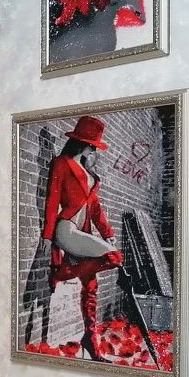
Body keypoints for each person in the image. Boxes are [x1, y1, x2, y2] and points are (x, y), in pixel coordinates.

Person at [42, 115, 124, 361]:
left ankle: (90, 339)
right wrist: (48, 236)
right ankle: (60, 274)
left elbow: (96, 209)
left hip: (83, 232)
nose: (93, 150)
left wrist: (108, 233)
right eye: (91, 145)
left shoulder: (89, 174)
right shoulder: (62, 163)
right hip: (66, 229)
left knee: (91, 287)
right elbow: (52, 200)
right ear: (81, 143)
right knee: (114, 258)